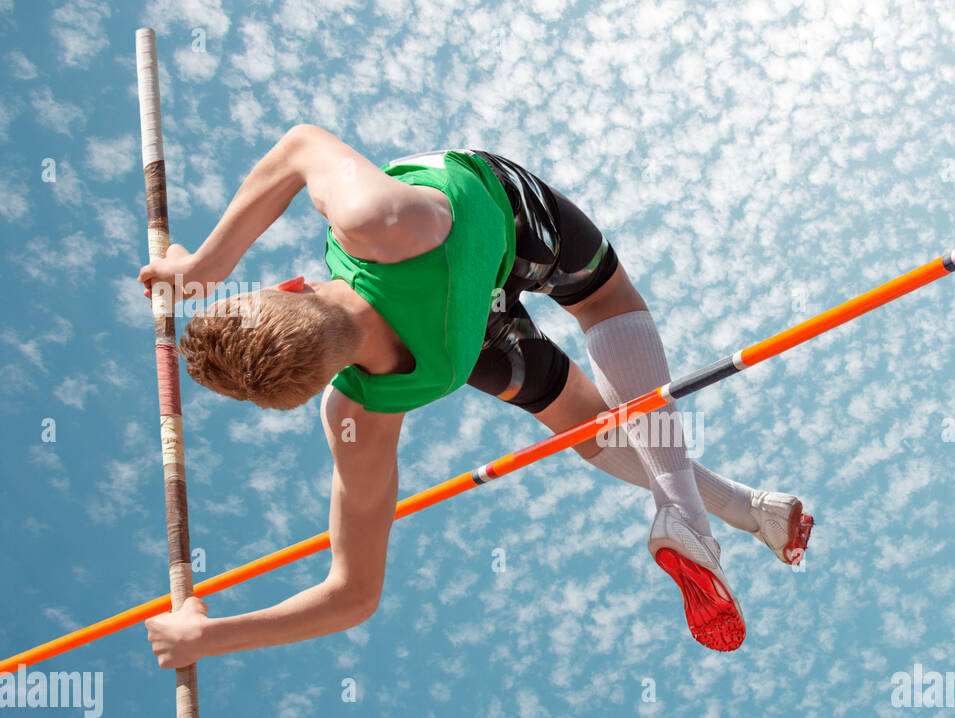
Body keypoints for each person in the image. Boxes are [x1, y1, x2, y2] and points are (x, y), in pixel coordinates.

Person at [138, 125, 813, 662]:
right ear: (289, 286)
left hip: (471, 346)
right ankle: (685, 512)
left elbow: (351, 596)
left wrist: (207, 634)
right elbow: (296, 146)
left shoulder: (361, 409)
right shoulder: (376, 222)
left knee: (590, 432)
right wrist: (200, 270)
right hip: (508, 228)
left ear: (311, 382)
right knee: (606, 305)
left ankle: (751, 512)